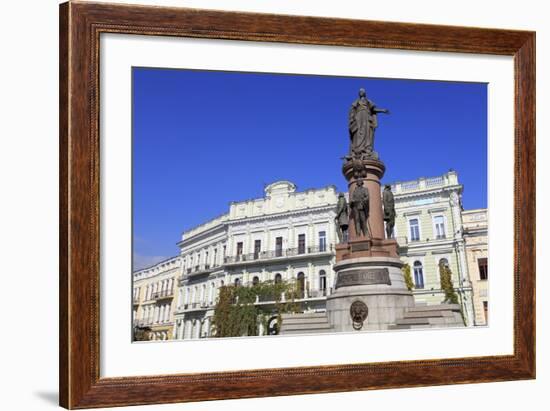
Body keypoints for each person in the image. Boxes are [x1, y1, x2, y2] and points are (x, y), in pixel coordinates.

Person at [348, 88, 389, 159]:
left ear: (365, 93)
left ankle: (367, 149)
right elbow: (352, 111)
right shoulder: (356, 102)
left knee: (367, 133)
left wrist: (382, 110)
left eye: (362, 91)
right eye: (360, 92)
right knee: (358, 133)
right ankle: (358, 150)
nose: (361, 92)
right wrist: (352, 120)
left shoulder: (368, 101)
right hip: (358, 118)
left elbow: (374, 109)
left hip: (367, 118)